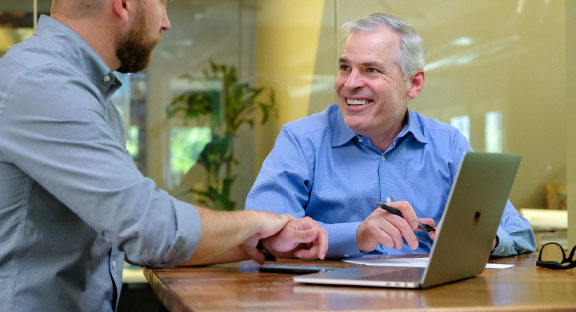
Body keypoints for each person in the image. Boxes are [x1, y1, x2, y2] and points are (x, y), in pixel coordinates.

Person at [0, 0, 327, 311]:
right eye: (162, 3)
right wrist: (258, 221)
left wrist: (259, 243)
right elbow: (149, 229)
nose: (166, 22)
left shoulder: (90, 100)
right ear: (123, 4)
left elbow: (136, 238)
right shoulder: (43, 83)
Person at [246, 12, 536, 259]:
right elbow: (261, 231)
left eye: (371, 70)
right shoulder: (301, 140)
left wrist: (480, 237)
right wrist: (356, 235)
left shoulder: (448, 144)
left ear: (414, 83)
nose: (350, 83)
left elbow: (520, 232)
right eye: (345, 67)